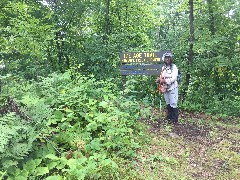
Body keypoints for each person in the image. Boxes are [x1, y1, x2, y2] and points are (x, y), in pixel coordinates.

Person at [156, 52, 179, 124]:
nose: (167, 59)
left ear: (171, 58)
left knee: (173, 103)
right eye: (166, 57)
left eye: (169, 57)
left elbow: (174, 78)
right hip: (165, 88)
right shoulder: (163, 68)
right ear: (164, 59)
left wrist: (165, 80)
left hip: (173, 87)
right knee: (168, 102)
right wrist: (159, 81)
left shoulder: (174, 67)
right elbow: (161, 77)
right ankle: (169, 117)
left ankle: (174, 119)